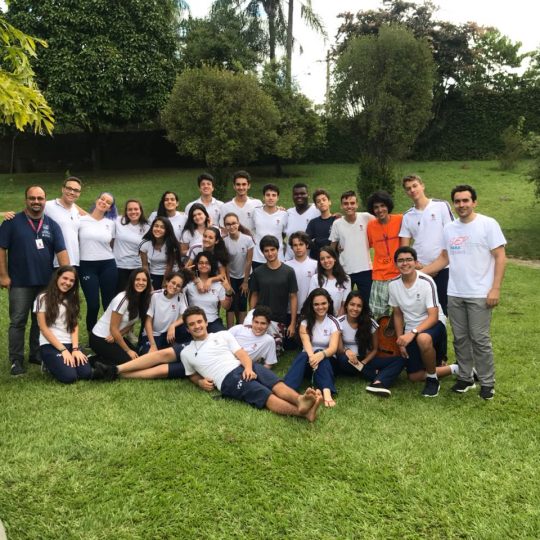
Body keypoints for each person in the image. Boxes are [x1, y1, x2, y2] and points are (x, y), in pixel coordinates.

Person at [94, 306, 323, 422]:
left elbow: (242, 354)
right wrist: (200, 383)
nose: (197, 326)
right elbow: (191, 375)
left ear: (205, 322)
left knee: (276, 383)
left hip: (243, 367)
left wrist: (249, 367)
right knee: (265, 396)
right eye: (192, 324)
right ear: (187, 328)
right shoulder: (187, 353)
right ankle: (301, 413)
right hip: (229, 380)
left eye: (199, 322)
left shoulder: (222, 334)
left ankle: (299, 400)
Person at [423, 185, 506, 400]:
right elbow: (444, 258)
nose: (461, 205)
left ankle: (487, 383)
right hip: (455, 293)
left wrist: (495, 288)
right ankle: (465, 378)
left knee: (479, 339)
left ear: (474, 202)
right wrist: (419, 274)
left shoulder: (488, 224)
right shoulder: (450, 228)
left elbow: (500, 257)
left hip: (480, 293)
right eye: (457, 201)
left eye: (465, 200)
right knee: (460, 339)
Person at [0, 186, 68, 375]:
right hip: (20, 282)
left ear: (45, 200)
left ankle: (35, 354)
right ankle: (16, 360)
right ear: (26, 200)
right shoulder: (12, 222)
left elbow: (61, 251)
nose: (36, 202)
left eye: (40, 198)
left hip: (46, 283)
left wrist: (68, 275)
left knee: (40, 320)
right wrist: (3, 275)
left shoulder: (52, 225)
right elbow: (1, 249)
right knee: (18, 321)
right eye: (32, 198)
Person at [388, 247, 457, 398]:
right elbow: (397, 314)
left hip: (433, 324)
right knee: (414, 376)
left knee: (423, 338)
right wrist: (401, 340)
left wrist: (412, 333)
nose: (405, 263)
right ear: (395, 264)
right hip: (411, 329)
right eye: (400, 260)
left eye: (409, 260)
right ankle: (458, 369)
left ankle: (432, 380)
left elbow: (433, 316)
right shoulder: (393, 284)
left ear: (416, 262)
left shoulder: (426, 281)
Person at [399, 174, 454, 315]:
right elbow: (404, 248)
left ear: (422, 186)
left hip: (443, 268)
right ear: (406, 192)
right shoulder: (407, 216)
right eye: (408, 188)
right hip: (419, 269)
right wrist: (416, 265)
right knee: (422, 311)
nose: (412, 190)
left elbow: (452, 235)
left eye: (415, 186)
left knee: (443, 311)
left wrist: (434, 266)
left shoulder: (441, 206)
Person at [332, 291, 404, 397]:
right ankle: (375, 374)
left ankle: (377, 382)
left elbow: (375, 349)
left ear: (363, 308)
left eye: (359, 306)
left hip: (366, 359)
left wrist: (363, 363)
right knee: (342, 360)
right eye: (352, 304)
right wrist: (347, 351)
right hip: (348, 359)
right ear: (346, 305)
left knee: (400, 360)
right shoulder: (338, 322)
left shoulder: (370, 323)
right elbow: (339, 349)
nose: (355, 308)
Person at [35, 266, 92, 383]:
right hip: (50, 344)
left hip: (70, 343)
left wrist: (75, 349)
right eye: (65, 278)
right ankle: (47, 364)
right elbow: (43, 328)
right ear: (57, 278)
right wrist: (63, 350)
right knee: (69, 377)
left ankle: (70, 359)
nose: (68, 283)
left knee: (86, 374)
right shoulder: (42, 298)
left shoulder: (72, 299)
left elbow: (74, 325)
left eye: (72, 281)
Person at [284, 289, 340, 408]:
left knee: (320, 352)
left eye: (323, 303)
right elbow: (306, 343)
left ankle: (327, 392)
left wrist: (320, 355)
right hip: (309, 361)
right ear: (311, 305)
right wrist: (312, 357)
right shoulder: (304, 322)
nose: (320, 307)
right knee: (303, 355)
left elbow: (333, 348)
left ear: (329, 303)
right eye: (316, 304)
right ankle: (287, 389)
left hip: (328, 363)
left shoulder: (333, 322)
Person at [89, 268, 152, 365]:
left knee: (139, 357)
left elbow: (130, 324)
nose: (141, 282)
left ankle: (102, 358)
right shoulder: (122, 299)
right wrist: (128, 350)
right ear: (132, 281)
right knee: (131, 362)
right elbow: (113, 328)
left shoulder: (143, 300)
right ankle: (92, 361)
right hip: (100, 338)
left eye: (144, 280)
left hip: (114, 337)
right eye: (137, 279)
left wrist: (117, 336)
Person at [249, 235, 298, 355]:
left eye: (272, 250)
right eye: (266, 251)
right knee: (256, 351)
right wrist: (251, 317)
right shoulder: (258, 272)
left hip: (279, 319)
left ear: (278, 249)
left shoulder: (288, 271)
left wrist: (292, 323)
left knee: (275, 352)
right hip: (260, 318)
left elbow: (293, 297)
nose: (270, 253)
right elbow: (254, 295)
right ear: (262, 252)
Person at [78, 192, 118, 334]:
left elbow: (112, 244)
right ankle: (92, 335)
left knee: (108, 304)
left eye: (108, 202)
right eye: (102, 199)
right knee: (93, 305)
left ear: (110, 208)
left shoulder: (111, 223)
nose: (104, 202)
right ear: (97, 200)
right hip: (87, 266)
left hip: (108, 265)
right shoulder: (80, 220)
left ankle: (108, 334)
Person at [329, 190, 374, 304]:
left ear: (357, 204)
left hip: (365, 269)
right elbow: (332, 248)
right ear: (341, 206)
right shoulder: (337, 223)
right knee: (344, 302)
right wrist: (334, 267)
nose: (349, 206)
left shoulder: (366, 217)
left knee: (366, 303)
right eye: (346, 203)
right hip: (345, 270)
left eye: (352, 203)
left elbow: (382, 222)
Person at [366, 191, 403, 320]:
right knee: (378, 314)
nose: (380, 210)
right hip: (380, 274)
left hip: (399, 273)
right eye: (376, 207)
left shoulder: (400, 219)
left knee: (402, 311)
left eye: (382, 205)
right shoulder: (371, 226)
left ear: (388, 205)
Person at [139, 271, 189, 353]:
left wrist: (172, 325)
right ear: (167, 282)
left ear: (181, 289)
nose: (175, 287)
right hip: (154, 335)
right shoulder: (155, 295)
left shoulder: (181, 296)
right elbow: (148, 321)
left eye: (178, 286)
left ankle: (175, 345)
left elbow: (186, 315)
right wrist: (153, 345)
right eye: (173, 283)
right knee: (150, 355)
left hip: (168, 333)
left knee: (187, 330)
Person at [184, 251, 232, 333]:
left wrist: (229, 292)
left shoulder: (218, 284)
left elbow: (226, 307)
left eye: (207, 263)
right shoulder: (189, 283)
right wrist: (186, 273)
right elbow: (176, 287)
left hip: (212, 321)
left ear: (211, 265)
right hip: (194, 322)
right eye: (201, 263)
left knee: (223, 336)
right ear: (196, 265)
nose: (204, 265)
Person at [44, 176, 85, 268]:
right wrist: (11, 215)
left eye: (76, 190)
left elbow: (92, 219)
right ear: (63, 189)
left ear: (79, 194)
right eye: (69, 188)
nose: (72, 192)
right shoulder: (48, 206)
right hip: (54, 262)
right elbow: (29, 214)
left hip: (74, 262)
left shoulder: (76, 210)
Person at [223, 212, 255, 326]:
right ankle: (230, 330)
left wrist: (245, 282)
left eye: (234, 223)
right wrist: (228, 283)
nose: (231, 226)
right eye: (228, 224)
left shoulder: (247, 239)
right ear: (225, 226)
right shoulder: (224, 241)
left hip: (244, 276)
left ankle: (242, 328)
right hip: (231, 276)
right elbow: (226, 263)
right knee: (231, 304)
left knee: (242, 304)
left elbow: (249, 261)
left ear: (238, 223)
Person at [114, 199, 150, 293]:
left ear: (140, 210)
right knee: (121, 296)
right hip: (120, 266)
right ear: (126, 211)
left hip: (138, 267)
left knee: (137, 296)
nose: (133, 212)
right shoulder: (118, 221)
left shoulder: (147, 227)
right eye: (129, 209)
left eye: (136, 209)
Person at [139, 216, 181, 290]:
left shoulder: (171, 245)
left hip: (171, 275)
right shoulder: (145, 244)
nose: (158, 229)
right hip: (153, 274)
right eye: (156, 226)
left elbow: (169, 266)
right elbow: (145, 266)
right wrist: (149, 283)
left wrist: (164, 284)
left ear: (167, 230)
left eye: (162, 227)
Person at [251, 184, 288, 268]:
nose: (271, 198)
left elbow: (284, 233)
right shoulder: (256, 211)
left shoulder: (284, 214)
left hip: (278, 257)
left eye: (274, 195)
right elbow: (252, 229)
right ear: (263, 197)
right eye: (268, 195)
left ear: (278, 198)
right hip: (258, 257)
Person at [308, 246, 351, 316]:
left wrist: (336, 320)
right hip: (319, 317)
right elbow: (311, 301)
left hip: (338, 318)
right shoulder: (315, 278)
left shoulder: (346, 279)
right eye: (322, 259)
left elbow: (344, 304)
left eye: (328, 257)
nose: (326, 261)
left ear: (335, 258)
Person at [285, 231, 317, 321]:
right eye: (295, 245)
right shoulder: (286, 265)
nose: (298, 248)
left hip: (310, 310)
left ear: (307, 245)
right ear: (292, 248)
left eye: (301, 244)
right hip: (290, 311)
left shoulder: (315, 265)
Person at [284, 183, 320, 260]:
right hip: (289, 260)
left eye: (302, 193)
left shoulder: (317, 210)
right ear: (292, 196)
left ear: (308, 195)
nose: (299, 196)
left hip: (311, 260)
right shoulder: (288, 213)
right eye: (296, 194)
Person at [306, 188, 337, 260]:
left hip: (334, 259)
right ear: (316, 206)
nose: (322, 202)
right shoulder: (313, 223)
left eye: (324, 200)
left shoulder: (336, 220)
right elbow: (307, 241)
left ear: (329, 202)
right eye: (318, 201)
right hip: (317, 259)